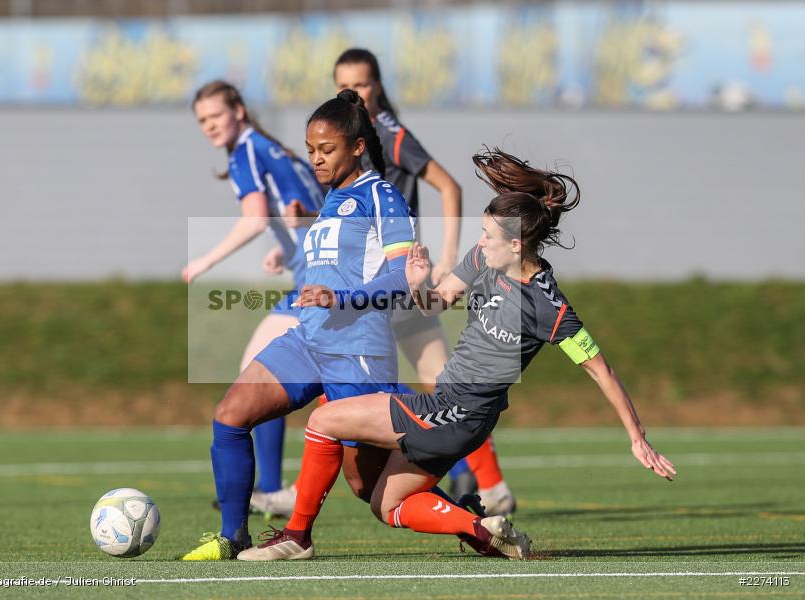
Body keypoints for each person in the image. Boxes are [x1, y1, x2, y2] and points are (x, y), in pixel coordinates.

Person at [237, 148, 677, 561]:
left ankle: (296, 537)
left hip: (458, 414)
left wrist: (637, 437)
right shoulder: (485, 259)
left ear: (518, 245)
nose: (480, 242)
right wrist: (418, 283)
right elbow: (437, 302)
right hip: (449, 410)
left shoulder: (548, 305)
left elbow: (602, 370)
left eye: (488, 236)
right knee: (386, 506)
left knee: (323, 420)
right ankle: (481, 528)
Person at [181, 89, 419, 560]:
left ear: (355, 146)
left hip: (357, 350)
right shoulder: (333, 197)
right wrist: (290, 253)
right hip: (309, 338)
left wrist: (341, 297)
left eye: (326, 149)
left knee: (368, 485)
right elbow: (333, 256)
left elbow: (403, 277)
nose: (316, 159)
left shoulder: (381, 195)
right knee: (231, 414)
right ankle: (233, 538)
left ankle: (472, 523)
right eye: (311, 150)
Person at [331, 48, 514, 515]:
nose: (354, 93)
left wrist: (449, 256)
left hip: (393, 282)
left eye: (364, 84)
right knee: (438, 385)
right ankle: (485, 487)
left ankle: (484, 488)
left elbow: (449, 186)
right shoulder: (349, 139)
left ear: (379, 86)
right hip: (376, 283)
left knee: (404, 387)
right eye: (344, 85)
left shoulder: (388, 133)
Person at [182, 80, 324, 517]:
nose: (209, 126)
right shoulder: (267, 147)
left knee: (258, 374)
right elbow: (311, 210)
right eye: (202, 120)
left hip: (318, 284)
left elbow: (256, 217)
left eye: (215, 116)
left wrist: (203, 261)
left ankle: (270, 489)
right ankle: (272, 488)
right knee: (321, 385)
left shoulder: (246, 149)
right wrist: (289, 246)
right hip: (324, 275)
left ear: (239, 111)